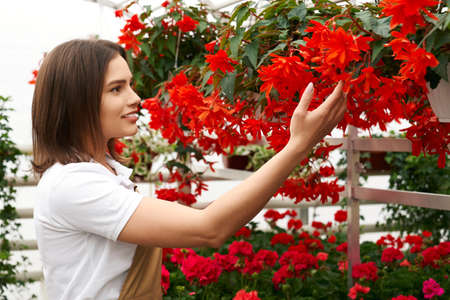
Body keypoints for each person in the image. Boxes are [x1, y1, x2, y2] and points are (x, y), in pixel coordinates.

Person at [32, 39, 346, 300]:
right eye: (116, 89)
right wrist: (297, 146)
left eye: (129, 85)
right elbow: (208, 228)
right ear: (77, 102)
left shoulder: (100, 171)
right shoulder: (73, 183)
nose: (136, 98)